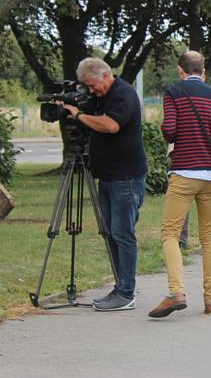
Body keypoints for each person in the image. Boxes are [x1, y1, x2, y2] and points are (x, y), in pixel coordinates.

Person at [148, 51, 211, 318]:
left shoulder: (174, 93)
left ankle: (177, 292)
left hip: (185, 172)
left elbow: (170, 130)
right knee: (209, 236)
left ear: (180, 70)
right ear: (204, 71)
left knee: (170, 234)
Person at [63, 57, 147, 311]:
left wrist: (79, 116)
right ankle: (120, 287)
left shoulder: (124, 95)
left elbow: (111, 125)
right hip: (108, 176)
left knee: (123, 234)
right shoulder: (100, 97)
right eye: (86, 87)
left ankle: (126, 292)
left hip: (125, 177)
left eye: (92, 85)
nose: (91, 90)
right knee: (111, 233)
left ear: (106, 74)